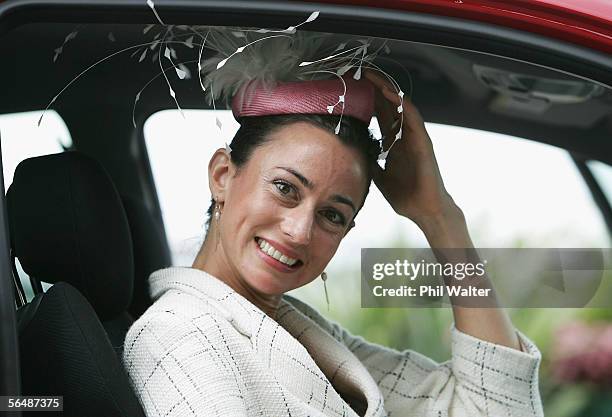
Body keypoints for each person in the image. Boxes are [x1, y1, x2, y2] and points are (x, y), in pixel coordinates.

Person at [122, 65, 544, 416]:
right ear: (222, 176)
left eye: (332, 215)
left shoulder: (304, 334)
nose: (300, 231)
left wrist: (441, 218)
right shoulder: (177, 337)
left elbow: (497, 406)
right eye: (286, 188)